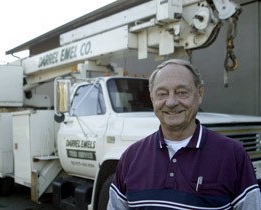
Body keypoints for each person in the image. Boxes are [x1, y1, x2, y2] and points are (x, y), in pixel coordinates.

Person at [107, 59, 261, 209]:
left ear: (199, 93)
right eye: (162, 94)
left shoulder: (233, 155)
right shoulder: (131, 157)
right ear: (152, 98)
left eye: (181, 92)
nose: (171, 102)